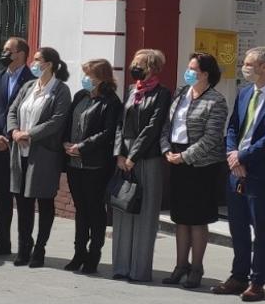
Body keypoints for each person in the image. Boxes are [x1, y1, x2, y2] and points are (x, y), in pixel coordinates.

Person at [214, 47, 265, 302]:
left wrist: (244, 156)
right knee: (237, 226)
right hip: (236, 169)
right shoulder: (244, 93)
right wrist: (232, 154)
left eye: (249, 64)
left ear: (264, 67)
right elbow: (233, 127)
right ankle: (238, 275)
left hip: (261, 172)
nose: (244, 68)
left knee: (260, 228)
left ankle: (257, 281)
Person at [160, 53, 229, 289]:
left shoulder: (216, 100)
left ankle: (196, 267)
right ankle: (181, 266)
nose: (188, 72)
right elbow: (167, 125)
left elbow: (212, 137)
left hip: (201, 166)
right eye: (188, 68)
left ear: (205, 73)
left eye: (193, 69)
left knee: (197, 218)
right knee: (180, 217)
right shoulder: (180, 94)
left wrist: (186, 156)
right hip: (175, 158)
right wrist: (167, 149)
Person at [6, 47, 72, 267]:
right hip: (20, 152)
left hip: (44, 155)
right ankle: (24, 246)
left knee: (44, 202)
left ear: (50, 64)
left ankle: (39, 249)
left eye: (37, 60)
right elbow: (13, 110)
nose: (33, 64)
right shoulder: (27, 87)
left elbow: (57, 121)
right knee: (23, 204)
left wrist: (30, 134)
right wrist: (14, 131)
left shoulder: (60, 90)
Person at [111, 48, 172, 282]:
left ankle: (139, 270)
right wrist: (119, 153)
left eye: (139, 64)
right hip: (123, 156)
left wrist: (132, 156)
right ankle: (121, 266)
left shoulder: (162, 94)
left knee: (145, 212)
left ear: (152, 67)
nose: (133, 67)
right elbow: (120, 124)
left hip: (148, 158)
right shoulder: (130, 90)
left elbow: (152, 129)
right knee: (123, 208)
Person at [63, 58, 120, 274]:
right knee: (80, 209)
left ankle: (93, 254)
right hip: (73, 162)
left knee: (95, 210)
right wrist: (66, 142)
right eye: (84, 74)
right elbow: (69, 122)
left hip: (95, 164)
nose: (85, 78)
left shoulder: (110, 101)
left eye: (90, 75)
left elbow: (108, 133)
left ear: (101, 78)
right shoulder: (80, 96)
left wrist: (83, 146)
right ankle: (79, 252)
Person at [0, 37, 34, 257]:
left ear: (20, 54)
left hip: (21, 147)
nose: (3, 53)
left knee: (22, 199)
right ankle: (2, 241)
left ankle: (25, 245)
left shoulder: (33, 80)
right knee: (2, 197)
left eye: (8, 50)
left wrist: (15, 136)